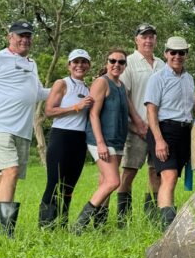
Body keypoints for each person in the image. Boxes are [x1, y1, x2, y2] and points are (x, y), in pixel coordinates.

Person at [0, 19, 50, 235]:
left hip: (22, 130)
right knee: (11, 171)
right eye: (20, 35)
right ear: (10, 37)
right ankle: (6, 231)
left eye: (28, 36)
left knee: (3, 178)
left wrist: (65, 87)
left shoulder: (31, 64)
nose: (24, 39)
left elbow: (38, 93)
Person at [73, 49, 132, 232]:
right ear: (106, 62)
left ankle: (99, 225)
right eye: (112, 60)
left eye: (121, 62)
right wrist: (100, 143)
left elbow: (129, 114)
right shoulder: (101, 82)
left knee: (105, 182)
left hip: (118, 140)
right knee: (113, 182)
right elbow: (93, 114)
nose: (116, 64)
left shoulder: (121, 86)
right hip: (101, 140)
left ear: (125, 66)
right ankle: (79, 225)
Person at [38, 48, 94, 228]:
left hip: (79, 140)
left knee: (69, 186)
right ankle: (46, 226)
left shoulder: (88, 88)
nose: (80, 65)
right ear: (69, 65)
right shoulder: (62, 83)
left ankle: (62, 224)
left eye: (83, 62)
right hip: (61, 136)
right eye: (76, 62)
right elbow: (49, 111)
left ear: (88, 65)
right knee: (54, 182)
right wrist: (76, 107)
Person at [117, 23, 166, 225]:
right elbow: (124, 94)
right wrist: (137, 122)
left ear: (155, 40)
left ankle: (152, 217)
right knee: (129, 171)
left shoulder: (162, 64)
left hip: (158, 129)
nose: (148, 40)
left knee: (156, 172)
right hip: (135, 128)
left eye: (151, 37)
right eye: (143, 37)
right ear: (136, 40)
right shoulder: (128, 62)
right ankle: (123, 218)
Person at [145, 35, 195, 227]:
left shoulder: (189, 78)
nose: (177, 56)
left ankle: (162, 219)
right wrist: (158, 140)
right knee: (169, 176)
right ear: (166, 53)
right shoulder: (158, 78)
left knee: (172, 177)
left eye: (181, 52)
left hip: (184, 131)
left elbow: (190, 109)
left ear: (186, 54)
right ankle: (167, 225)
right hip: (164, 129)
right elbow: (151, 110)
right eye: (173, 52)